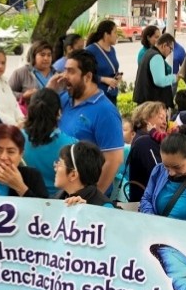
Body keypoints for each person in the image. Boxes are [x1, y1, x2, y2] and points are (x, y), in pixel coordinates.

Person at [47, 50, 124, 193]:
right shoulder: (64, 99)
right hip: (61, 192)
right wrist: (49, 90)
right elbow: (38, 120)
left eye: (71, 71)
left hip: (84, 198)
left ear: (87, 76)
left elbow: (114, 160)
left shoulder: (106, 112)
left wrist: (92, 197)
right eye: (65, 70)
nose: (65, 76)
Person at [21, 88, 77, 196]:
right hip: (58, 202)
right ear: (59, 113)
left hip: (22, 198)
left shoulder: (16, 139)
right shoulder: (72, 146)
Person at [54, 142, 117, 207]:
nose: (55, 168)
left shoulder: (104, 207)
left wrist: (86, 210)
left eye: (60, 164)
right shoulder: (61, 195)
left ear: (73, 175)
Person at [127, 101, 167, 202]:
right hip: (146, 205)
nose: (165, 122)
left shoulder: (142, 139)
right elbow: (161, 175)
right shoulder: (145, 142)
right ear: (146, 119)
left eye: (165, 118)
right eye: (161, 117)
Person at [133, 33, 179, 108]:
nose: (170, 52)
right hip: (152, 104)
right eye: (170, 49)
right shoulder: (157, 57)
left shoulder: (149, 52)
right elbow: (159, 81)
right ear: (164, 45)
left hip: (145, 101)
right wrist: (175, 77)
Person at [8, 40, 57, 107]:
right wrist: (23, 96)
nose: (46, 58)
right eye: (42, 55)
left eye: (49, 55)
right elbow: (7, 93)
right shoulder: (21, 73)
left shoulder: (57, 74)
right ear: (33, 56)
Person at [85, 20, 122, 105]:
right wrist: (103, 79)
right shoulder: (91, 50)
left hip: (111, 94)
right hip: (97, 96)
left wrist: (117, 76)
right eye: (115, 32)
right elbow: (85, 74)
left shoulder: (112, 50)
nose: (117, 36)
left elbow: (112, 68)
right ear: (106, 35)